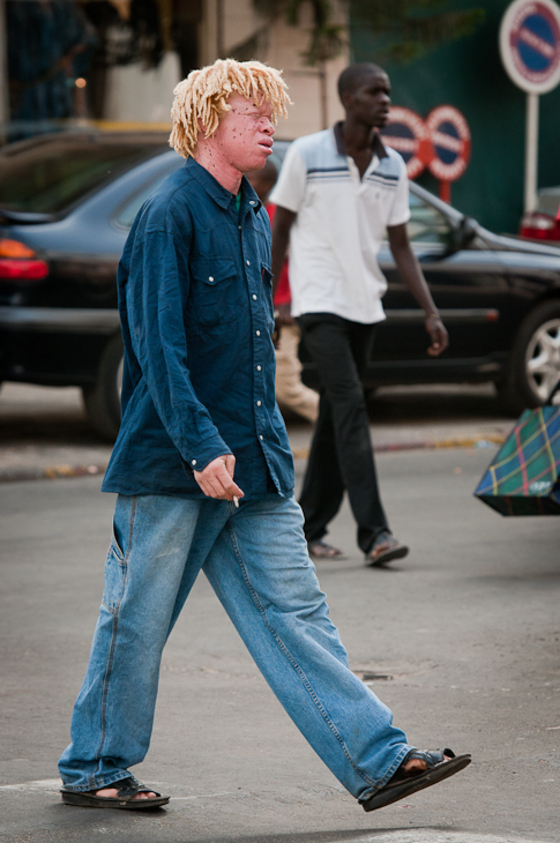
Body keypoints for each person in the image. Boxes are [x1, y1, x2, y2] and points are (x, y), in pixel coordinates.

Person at [57, 58, 469, 813]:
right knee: (136, 618)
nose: (268, 123)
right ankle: (94, 765)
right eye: (252, 111)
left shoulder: (251, 213)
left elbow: (252, 348)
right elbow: (159, 348)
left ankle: (378, 757)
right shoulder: (168, 214)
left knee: (298, 613)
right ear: (208, 121)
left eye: (270, 110)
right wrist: (200, 445)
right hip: (175, 461)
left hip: (254, 463)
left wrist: (266, 443)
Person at [270, 62, 449, 566]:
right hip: (318, 303)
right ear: (348, 98)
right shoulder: (307, 154)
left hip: (366, 306)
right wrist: (266, 300)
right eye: (374, 92)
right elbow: (280, 231)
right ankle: (376, 534)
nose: (385, 100)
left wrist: (431, 312)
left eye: (387, 92)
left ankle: (307, 529)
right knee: (350, 407)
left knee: (334, 416)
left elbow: (402, 246)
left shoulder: (393, 166)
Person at [247, 161, 320, 424]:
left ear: (267, 185)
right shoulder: (250, 211)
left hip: (282, 312)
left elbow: (302, 262)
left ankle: (340, 423)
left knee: (286, 386)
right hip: (260, 310)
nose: (243, 182)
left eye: (250, 179)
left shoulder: (278, 216)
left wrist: (291, 300)